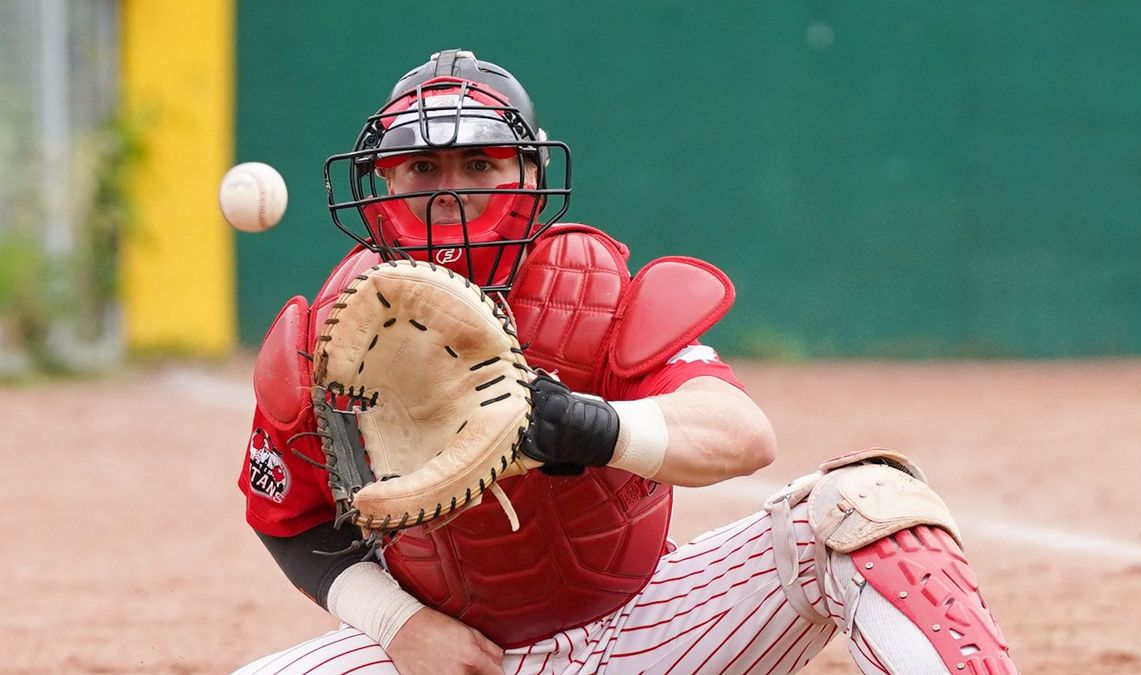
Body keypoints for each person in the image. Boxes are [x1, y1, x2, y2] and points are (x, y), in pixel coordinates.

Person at [236, 50, 1018, 675]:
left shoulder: (591, 295)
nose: (453, 191)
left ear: (530, 177)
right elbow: (288, 518)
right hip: (459, 653)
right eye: (423, 169)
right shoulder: (333, 338)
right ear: (382, 184)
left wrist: (589, 425)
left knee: (868, 505)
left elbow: (741, 434)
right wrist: (399, 626)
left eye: (481, 165)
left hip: (652, 626)